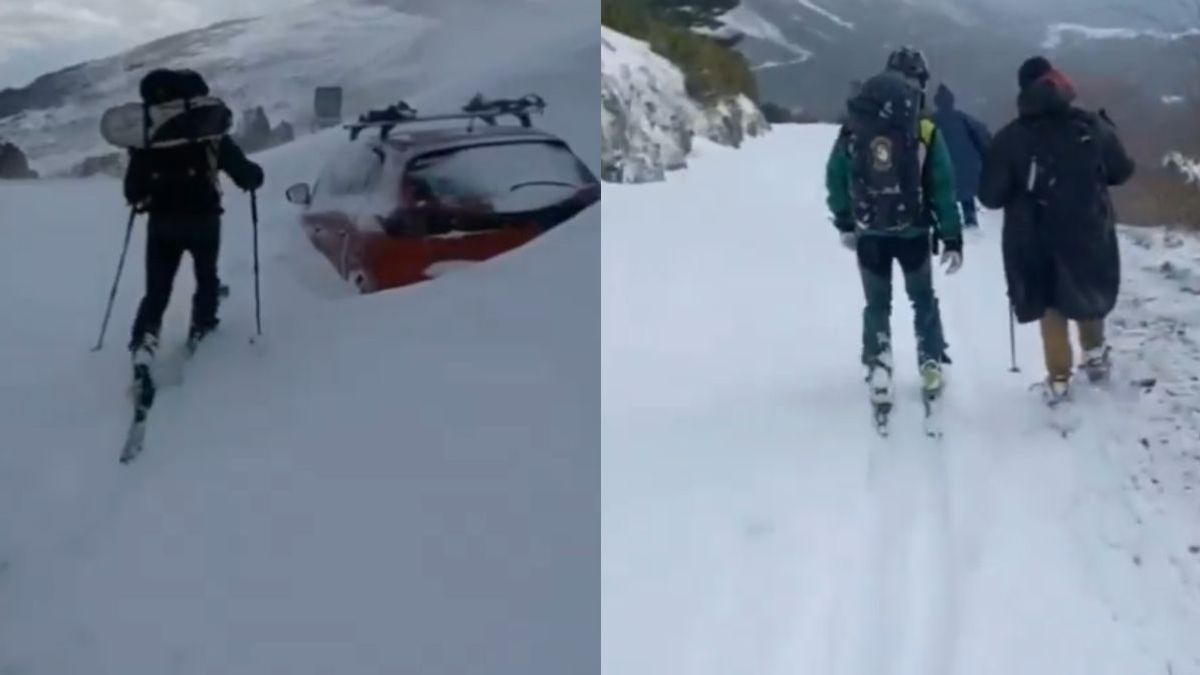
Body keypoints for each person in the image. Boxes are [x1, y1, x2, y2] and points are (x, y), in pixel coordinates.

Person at [978, 56, 1134, 402]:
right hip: (1089, 229)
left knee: (1050, 303)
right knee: (1085, 289)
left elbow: (990, 196)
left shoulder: (1010, 138)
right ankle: (1094, 356)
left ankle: (1059, 380)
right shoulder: (1090, 125)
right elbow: (1121, 171)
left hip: (1035, 235)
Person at [825, 46, 964, 411]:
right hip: (913, 231)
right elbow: (943, 186)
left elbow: (835, 177)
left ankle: (879, 366)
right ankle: (931, 362)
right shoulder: (925, 130)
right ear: (919, 83)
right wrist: (952, 236)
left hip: (869, 230)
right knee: (922, 299)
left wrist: (844, 220)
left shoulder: (854, 128)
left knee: (877, 304)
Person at [125, 68, 265, 369]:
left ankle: (144, 345)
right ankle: (202, 328)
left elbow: (132, 191)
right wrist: (255, 178)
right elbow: (245, 175)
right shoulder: (209, 130)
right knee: (206, 277)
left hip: (162, 223)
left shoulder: (150, 135)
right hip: (204, 220)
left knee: (157, 290)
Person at [931, 83, 991, 228]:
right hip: (965, 168)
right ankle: (970, 220)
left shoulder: (931, 121)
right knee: (966, 195)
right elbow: (983, 134)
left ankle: (944, 222)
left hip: (941, 168)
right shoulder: (963, 119)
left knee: (943, 196)